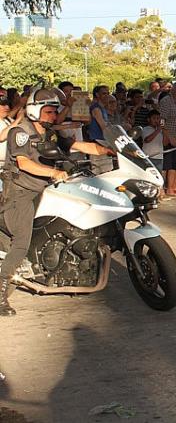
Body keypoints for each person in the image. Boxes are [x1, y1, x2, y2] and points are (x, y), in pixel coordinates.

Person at [0, 88, 114, 316]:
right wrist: (53, 172)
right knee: (21, 243)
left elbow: (77, 146)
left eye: (54, 112)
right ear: (35, 111)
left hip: (43, 190)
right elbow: (23, 163)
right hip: (20, 193)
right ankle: (1, 293)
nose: (54, 116)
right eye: (49, 112)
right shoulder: (20, 132)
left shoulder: (49, 133)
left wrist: (109, 151)